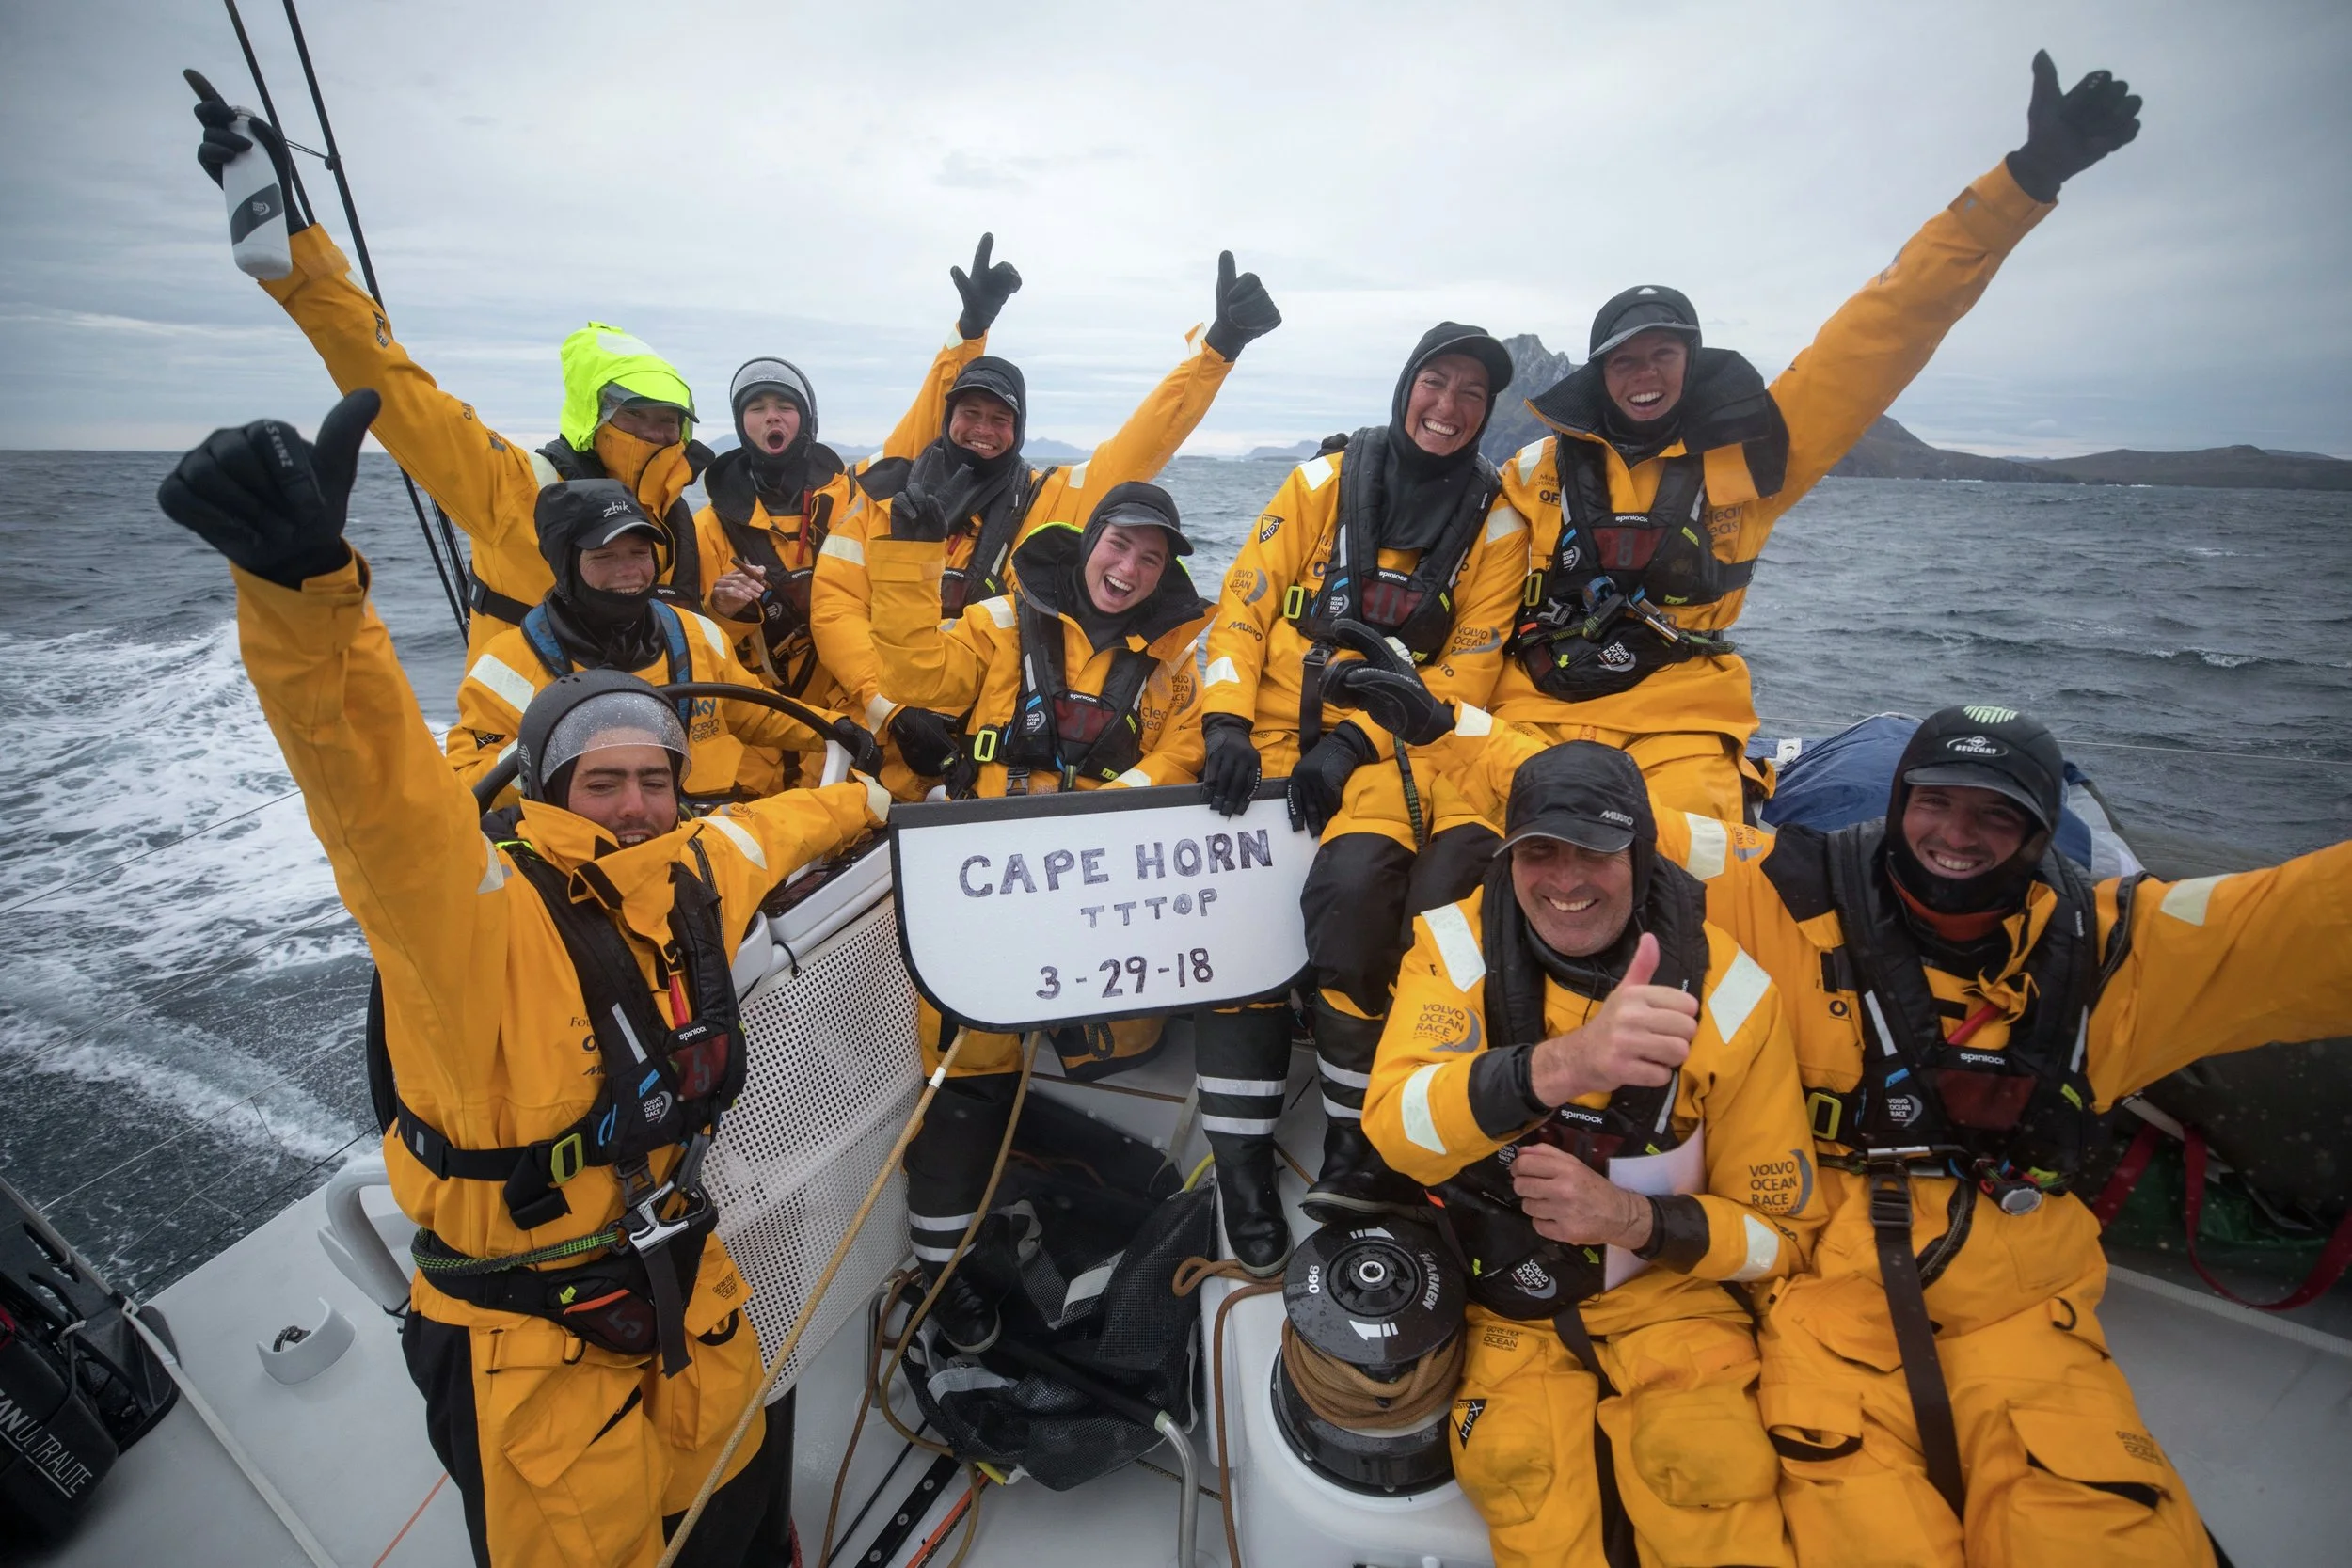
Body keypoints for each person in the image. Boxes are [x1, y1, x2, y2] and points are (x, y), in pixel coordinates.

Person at [155, 389, 895, 1567]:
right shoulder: (465, 917)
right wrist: (306, 598)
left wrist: (880, 794)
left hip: (682, 1282)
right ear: (546, 795)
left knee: (742, 1514)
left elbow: (787, 822)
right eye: (603, 784)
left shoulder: (690, 862)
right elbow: (373, 786)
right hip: (527, 1344)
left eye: (655, 778)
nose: (637, 804)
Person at [1386, 688, 2352, 1567]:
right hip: (1826, 1299)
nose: (1955, 835)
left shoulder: (2117, 951)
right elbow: (1609, 820)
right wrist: (1444, 729)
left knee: (2100, 1527)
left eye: (1995, 811)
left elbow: (2302, 920)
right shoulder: (1785, 888)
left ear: (2044, 827)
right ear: (1897, 801)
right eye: (1934, 800)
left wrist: (1638, 1219)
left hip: (2017, 1300)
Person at [1487, 52, 2142, 823]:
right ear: (1598, 375)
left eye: (1662, 354)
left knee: (1696, 867)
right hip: (1533, 714)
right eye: (1624, 360)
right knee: (1486, 846)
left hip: (1684, 726)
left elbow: (1890, 323)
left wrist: (2026, 180)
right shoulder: (1532, 471)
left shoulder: (1761, 449)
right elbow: (1472, 587)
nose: (1643, 375)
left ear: (1691, 363)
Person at [190, 83, 995, 674]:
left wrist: (966, 340)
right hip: (530, 746)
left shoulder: (681, 510)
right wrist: (298, 250)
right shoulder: (519, 489)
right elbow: (395, 387)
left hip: (668, 736)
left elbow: (920, 440)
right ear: (598, 416)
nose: (659, 432)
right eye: (640, 416)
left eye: (671, 420)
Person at [1362, 740, 1818, 1568]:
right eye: (1539, 850)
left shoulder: (1737, 995)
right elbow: (1395, 1128)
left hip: (1671, 1299)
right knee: (1516, 1471)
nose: (1565, 880)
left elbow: (1779, 1235)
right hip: (1503, 1297)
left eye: (1597, 852)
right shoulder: (1451, 948)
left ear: (1641, 855)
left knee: (1708, 1469)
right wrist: (1570, 1063)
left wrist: (1633, 1218)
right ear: (1508, 857)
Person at [1195, 325, 1533, 1241]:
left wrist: (1349, 741)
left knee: (1353, 906)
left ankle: (1351, 1139)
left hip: (1385, 756)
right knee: (1235, 937)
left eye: (1471, 394)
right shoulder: (1319, 482)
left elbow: (1463, 672)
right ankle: (1240, 1166)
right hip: (1261, 737)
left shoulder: (1499, 528)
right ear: (1405, 385)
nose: (1448, 406)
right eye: (1436, 381)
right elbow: (1244, 601)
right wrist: (1223, 719)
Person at [866, 480, 1216, 1333]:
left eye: (1150, 554)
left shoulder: (1178, 663)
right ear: (1087, 539)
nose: (1128, 566)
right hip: (989, 890)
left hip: (1098, 896)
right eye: (1118, 544)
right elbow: (915, 672)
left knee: (1124, 1049)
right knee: (965, 1081)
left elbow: (1187, 749)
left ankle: (1058, 1209)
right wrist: (908, 560)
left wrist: (1108, 814)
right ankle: (950, 1280)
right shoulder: (995, 621)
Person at [813, 250, 1281, 796]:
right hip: (882, 731)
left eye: (1000, 418)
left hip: (994, 743)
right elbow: (835, 611)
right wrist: (893, 710)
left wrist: (1219, 346)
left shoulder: (1052, 497)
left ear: (1021, 427)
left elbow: (1151, 436)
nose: (982, 430)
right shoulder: (885, 502)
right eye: (970, 414)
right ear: (946, 418)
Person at [689, 236, 1024, 794]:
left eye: (785, 406)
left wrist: (970, 330)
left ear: (807, 419)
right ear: (739, 422)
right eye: (757, 408)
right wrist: (722, 609)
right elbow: (694, 641)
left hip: (860, 718)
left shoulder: (851, 495)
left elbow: (929, 422)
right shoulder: (710, 526)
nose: (772, 418)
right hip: (758, 737)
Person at [445, 477, 881, 800]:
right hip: (589, 856)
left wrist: (836, 729)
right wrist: (563, 755)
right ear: (564, 565)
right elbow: (467, 782)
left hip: (715, 829)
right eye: (605, 557)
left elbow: (751, 712)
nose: (630, 571)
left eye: (639, 554)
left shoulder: (695, 632)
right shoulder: (506, 665)